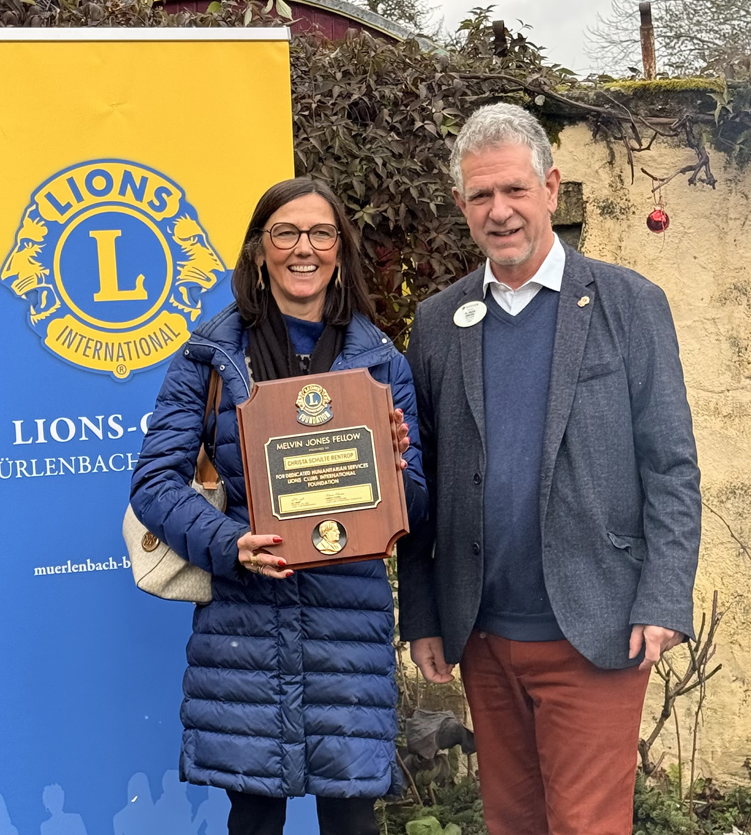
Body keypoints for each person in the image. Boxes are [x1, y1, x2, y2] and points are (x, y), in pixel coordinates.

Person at [397, 103, 701, 835]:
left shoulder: (628, 304)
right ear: (462, 204)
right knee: (512, 823)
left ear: (551, 188)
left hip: (595, 629)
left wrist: (663, 596)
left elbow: (671, 464)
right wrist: (426, 611)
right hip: (483, 635)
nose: (498, 211)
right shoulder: (439, 321)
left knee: (586, 827)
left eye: (513, 190)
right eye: (480, 195)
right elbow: (421, 477)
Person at [131, 177, 428, 835]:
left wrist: (397, 468)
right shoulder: (209, 357)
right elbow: (155, 484)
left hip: (346, 637)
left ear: (340, 250)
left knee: (353, 819)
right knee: (255, 818)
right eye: (285, 233)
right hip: (245, 632)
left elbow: (416, 507)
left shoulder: (381, 364)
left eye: (321, 233)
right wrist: (229, 543)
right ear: (258, 251)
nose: (304, 248)